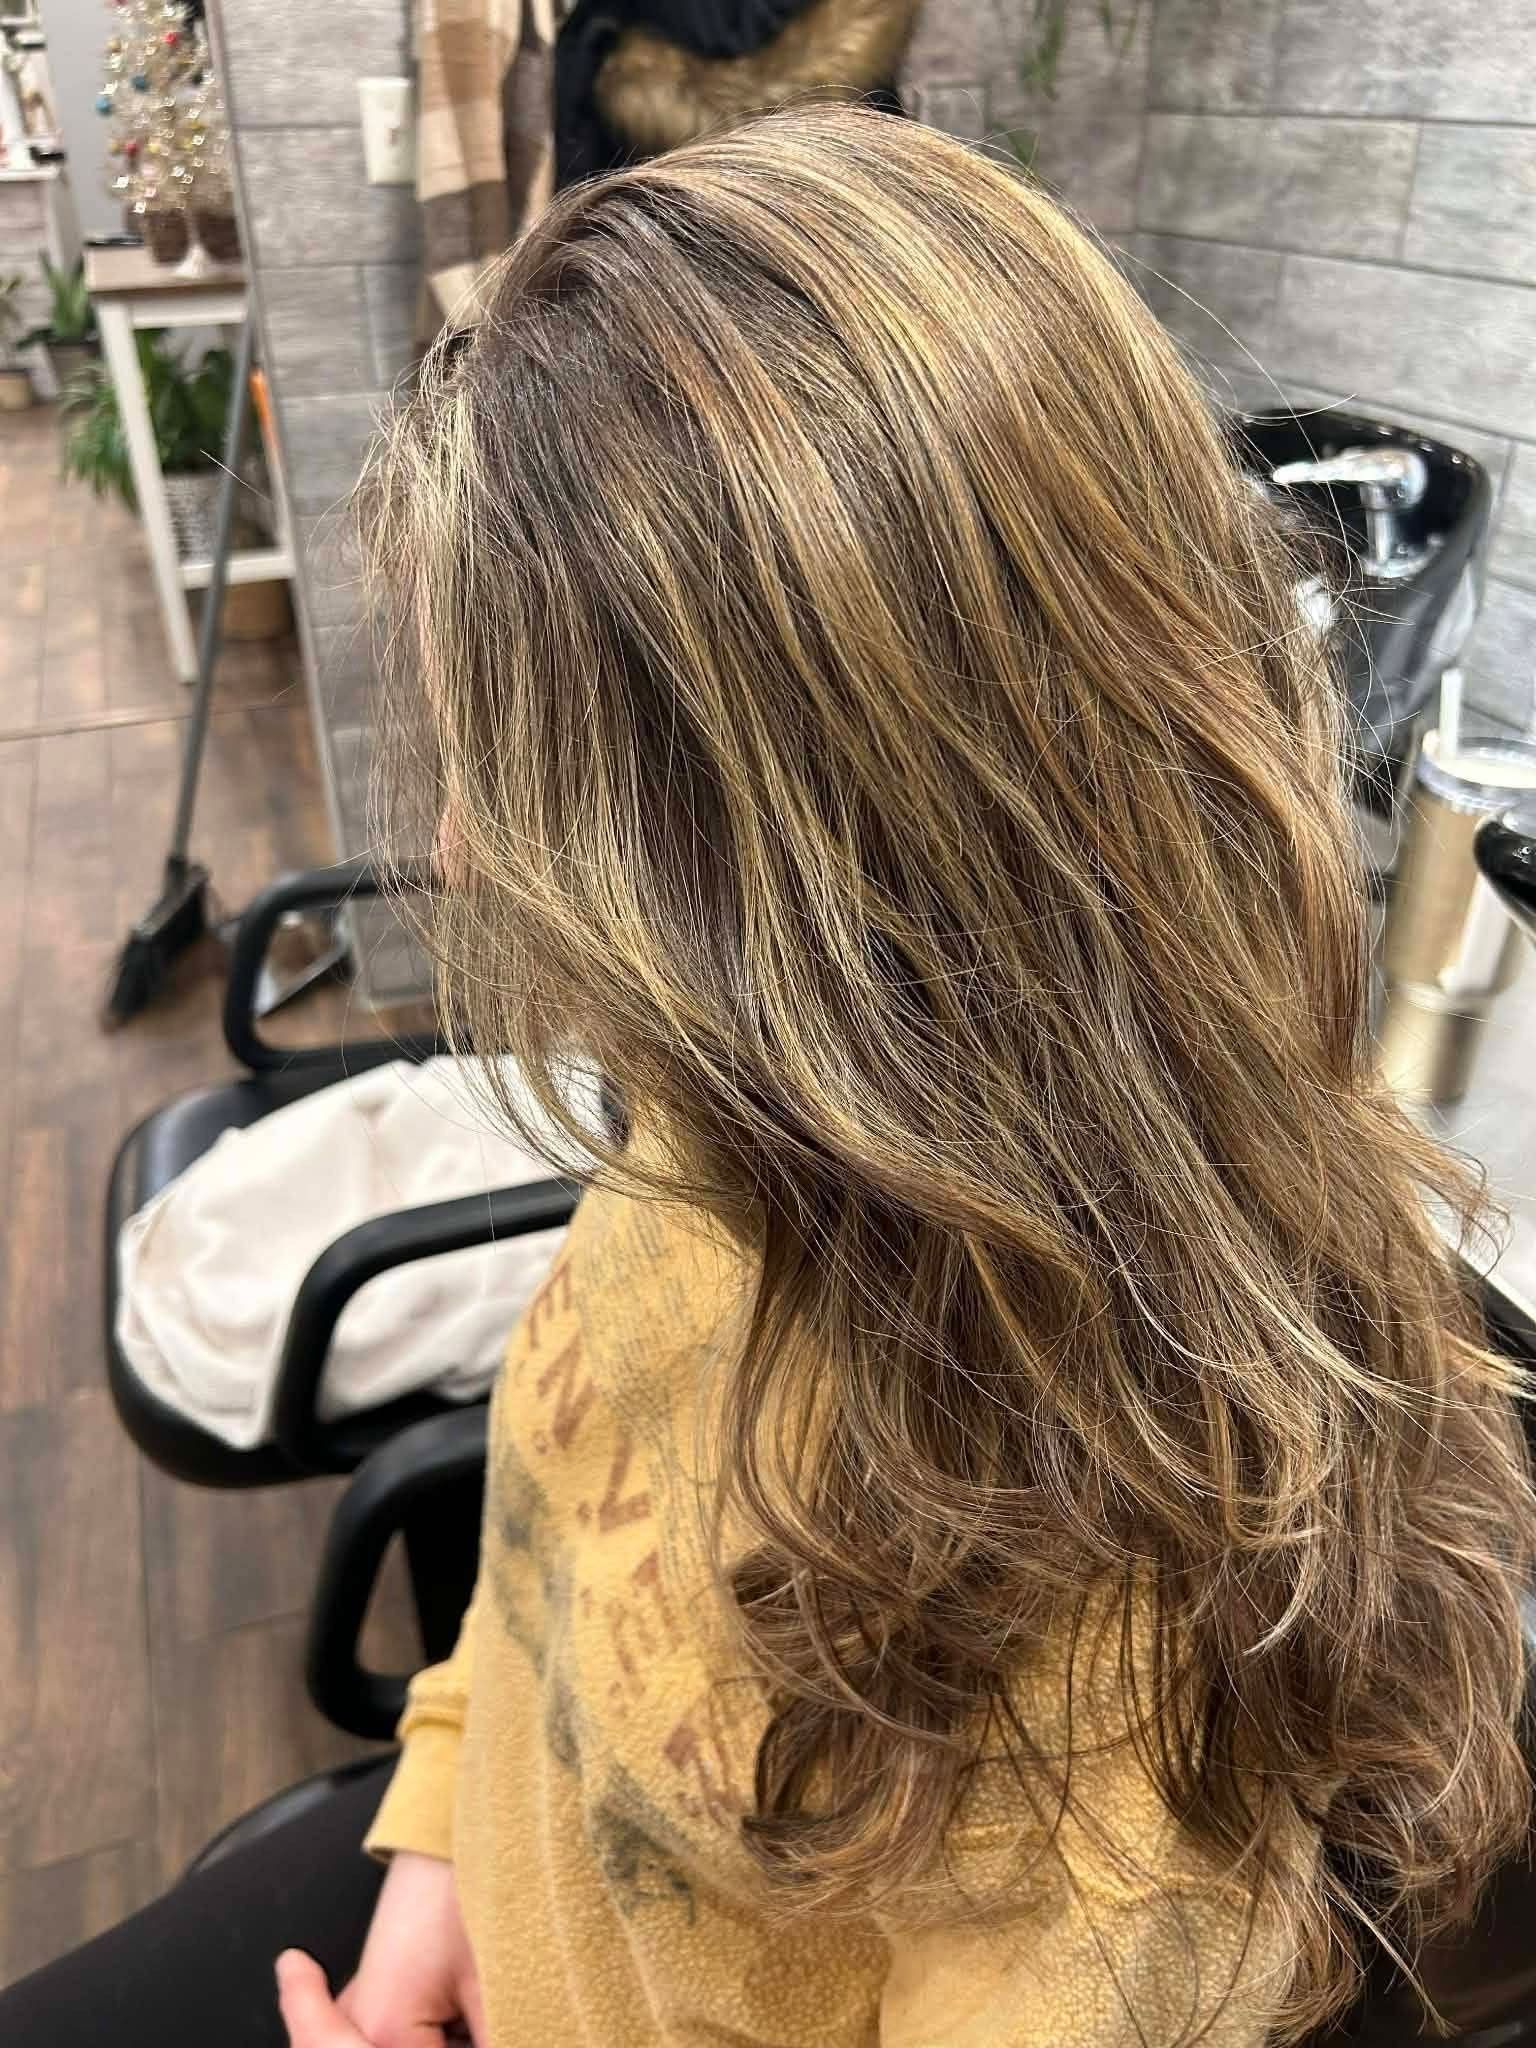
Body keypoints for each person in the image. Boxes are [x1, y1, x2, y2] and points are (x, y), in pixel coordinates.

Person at [5, 103, 1531, 2048]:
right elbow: (548, 1554)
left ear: (805, 892)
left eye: (524, 784)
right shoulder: (725, 1154)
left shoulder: (1114, 1750)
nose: (462, 855)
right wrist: (437, 1852)